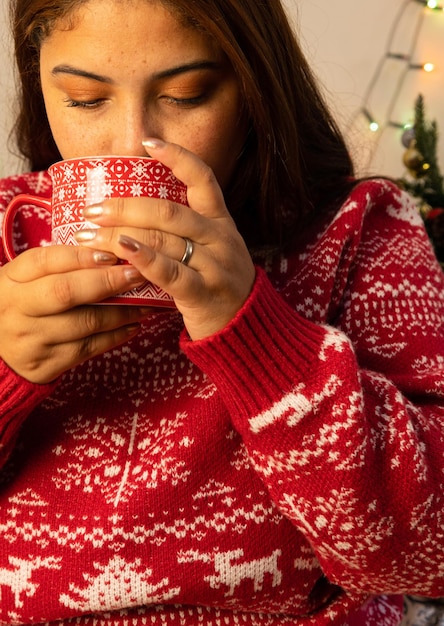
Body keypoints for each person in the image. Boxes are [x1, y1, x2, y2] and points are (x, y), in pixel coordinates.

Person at [0, 0, 443, 624]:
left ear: (255, 86)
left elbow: (426, 555)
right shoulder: (5, 235)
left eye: (186, 95)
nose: (134, 149)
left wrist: (256, 337)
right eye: (83, 99)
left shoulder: (359, 232)